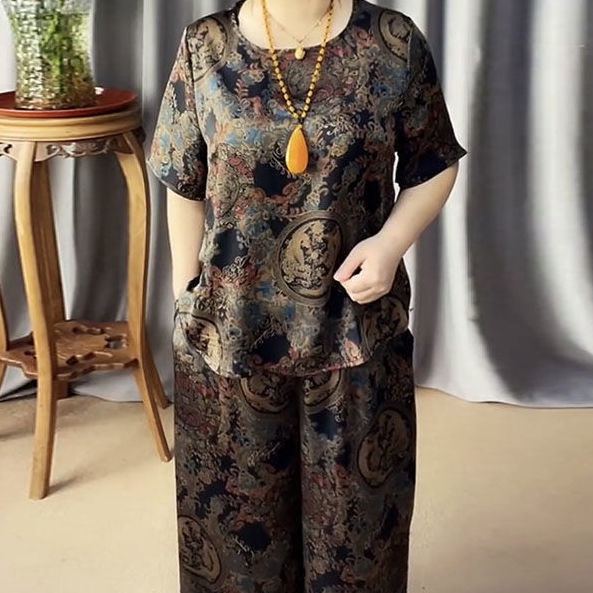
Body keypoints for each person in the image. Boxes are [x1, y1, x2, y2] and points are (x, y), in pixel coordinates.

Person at [148, 0, 466, 591]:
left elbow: (435, 162)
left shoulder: (392, 42)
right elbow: (182, 178)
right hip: (232, 329)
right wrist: (186, 294)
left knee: (357, 541)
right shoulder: (205, 46)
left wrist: (391, 244)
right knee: (236, 541)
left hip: (353, 325)